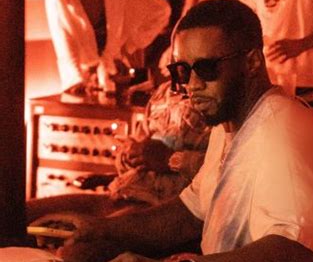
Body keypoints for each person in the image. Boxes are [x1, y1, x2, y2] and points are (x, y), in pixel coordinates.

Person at [64, 0, 313, 262]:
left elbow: (297, 253)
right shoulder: (230, 126)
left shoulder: (284, 130)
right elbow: (188, 214)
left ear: (252, 62)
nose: (192, 84)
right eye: (181, 71)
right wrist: (102, 230)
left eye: (206, 68)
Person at [27, 80, 210, 222]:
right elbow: (129, 157)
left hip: (163, 207)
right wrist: (130, 156)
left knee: (86, 237)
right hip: (119, 194)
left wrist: (169, 159)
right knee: (22, 213)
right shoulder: (165, 92)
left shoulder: (215, 100)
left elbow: (220, 173)